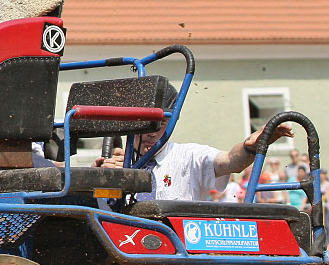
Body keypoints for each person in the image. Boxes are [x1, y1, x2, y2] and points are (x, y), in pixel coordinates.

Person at [94, 86, 294, 201]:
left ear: (171, 123)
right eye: (145, 124)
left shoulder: (188, 155)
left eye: (161, 124)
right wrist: (98, 179)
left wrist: (250, 146)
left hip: (178, 251)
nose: (153, 132)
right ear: (130, 125)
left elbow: (229, 161)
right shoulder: (118, 161)